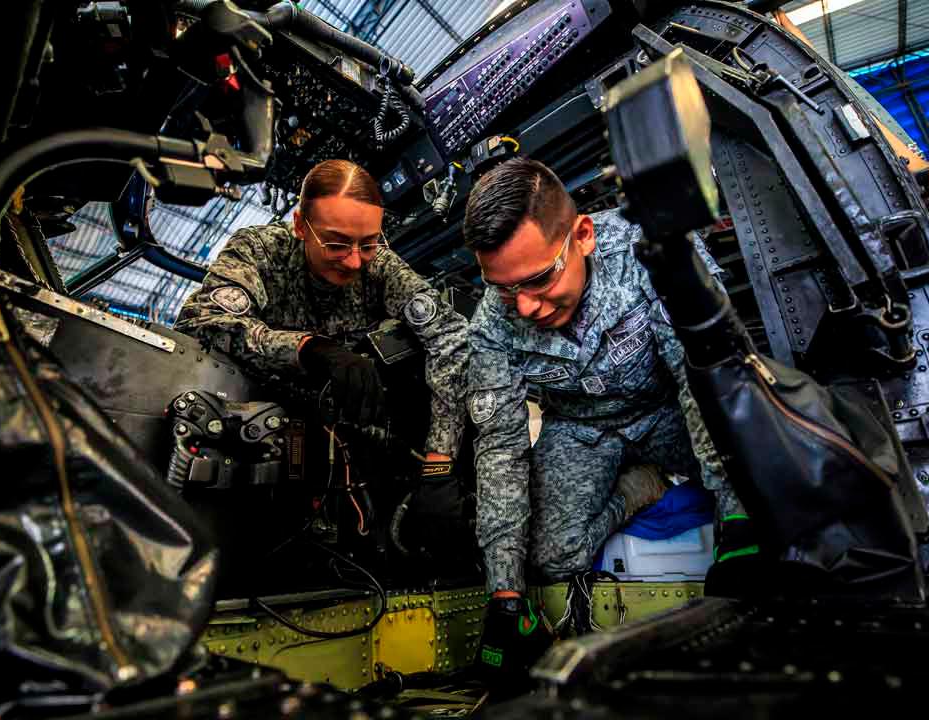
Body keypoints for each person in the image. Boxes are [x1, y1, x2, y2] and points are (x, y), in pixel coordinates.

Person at [464, 157, 743, 676]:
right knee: (551, 557)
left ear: (583, 235)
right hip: (581, 428)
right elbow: (500, 450)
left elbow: (702, 380)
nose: (524, 308)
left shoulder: (652, 251)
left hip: (670, 411)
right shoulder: (489, 327)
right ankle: (642, 487)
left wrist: (737, 517)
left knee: (761, 485)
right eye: (504, 289)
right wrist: (504, 596)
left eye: (539, 279)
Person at [175, 159, 469, 482]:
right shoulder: (260, 251)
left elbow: (452, 338)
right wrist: (308, 348)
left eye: (368, 244)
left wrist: (438, 466)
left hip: (351, 437)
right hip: (262, 432)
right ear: (301, 225)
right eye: (337, 244)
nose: (355, 260)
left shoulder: (380, 266)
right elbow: (202, 321)